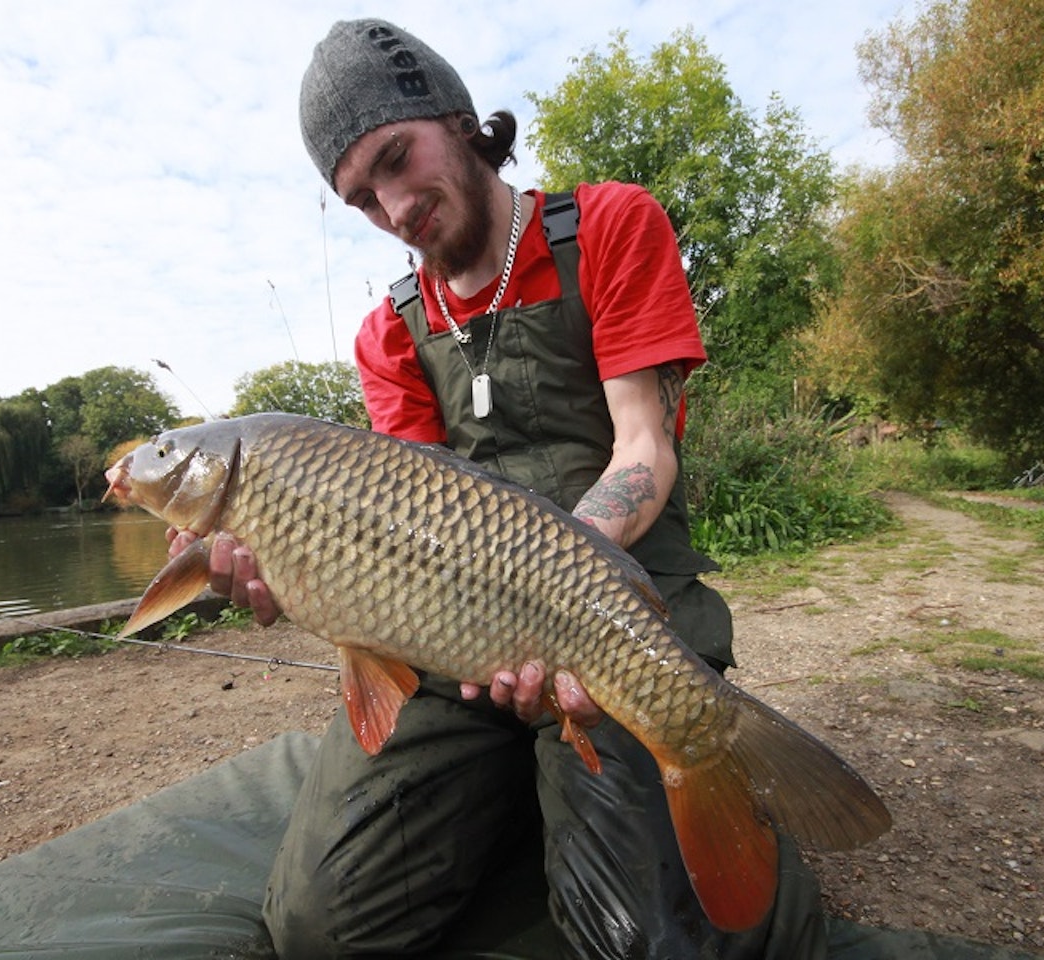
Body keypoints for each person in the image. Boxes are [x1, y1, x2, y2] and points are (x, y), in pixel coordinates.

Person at [173, 17, 828, 959]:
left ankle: (691, 782)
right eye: (362, 198)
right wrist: (303, 578)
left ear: (458, 118)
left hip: (618, 609)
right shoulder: (387, 332)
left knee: (651, 940)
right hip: (453, 633)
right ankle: (521, 786)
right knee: (319, 930)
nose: (394, 207)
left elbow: (645, 447)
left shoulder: (608, 224)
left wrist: (557, 603)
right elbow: (394, 525)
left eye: (398, 159)